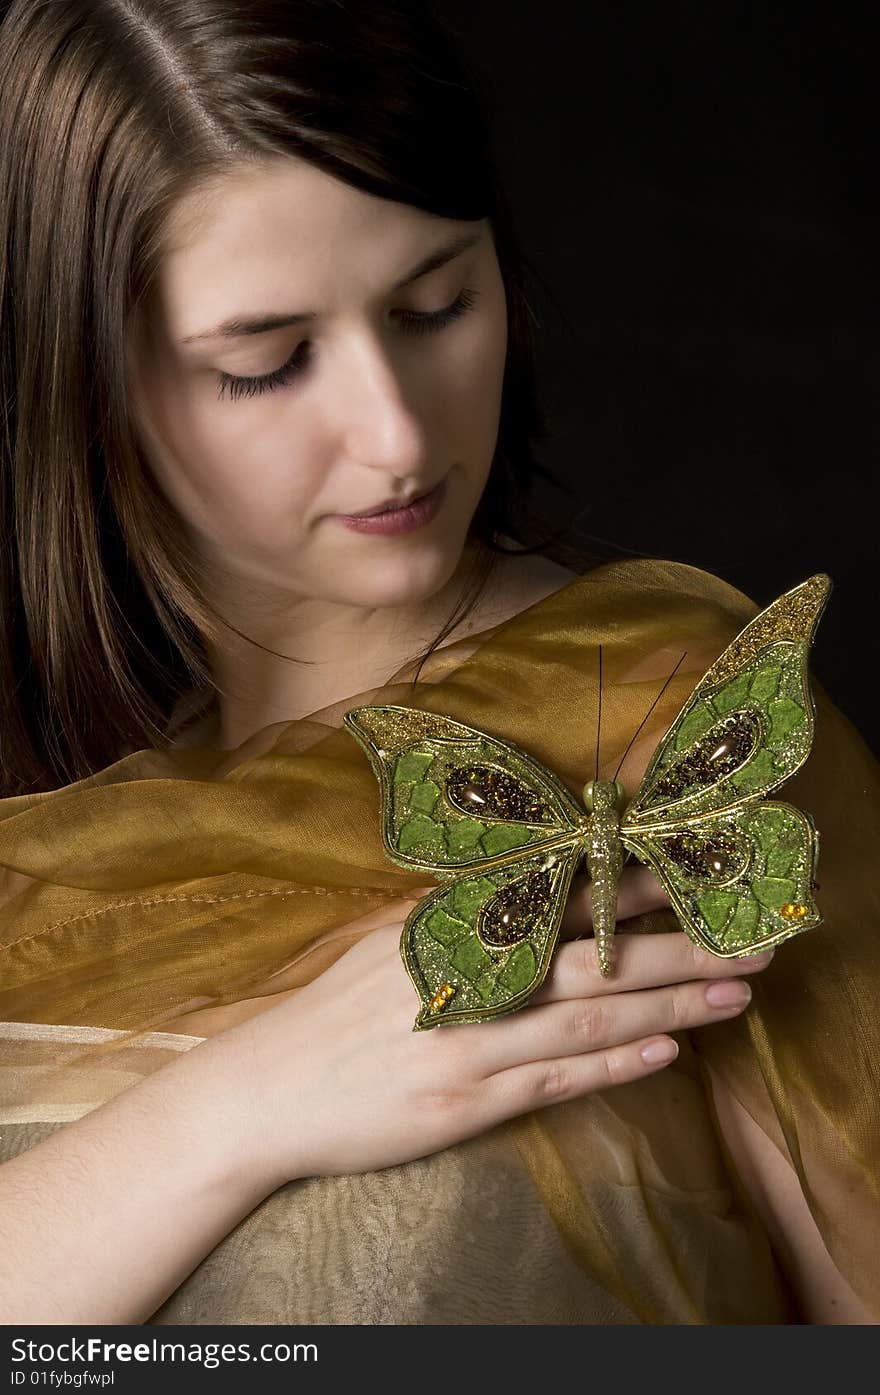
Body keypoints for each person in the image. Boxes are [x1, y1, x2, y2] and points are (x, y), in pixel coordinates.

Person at [0, 0, 877, 1327]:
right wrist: (232, 1111)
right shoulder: (46, 804)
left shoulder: (671, 731)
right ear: (83, 380)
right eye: (268, 361)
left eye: (434, 304)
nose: (399, 436)